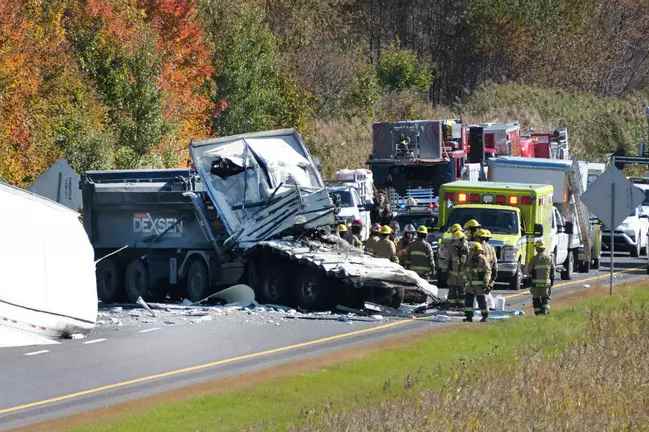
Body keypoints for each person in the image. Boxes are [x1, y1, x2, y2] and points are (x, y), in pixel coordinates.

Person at [464, 243, 491, 322]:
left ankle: (484, 316)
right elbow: (465, 270)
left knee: (481, 301)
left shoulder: (483, 259)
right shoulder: (469, 259)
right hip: (470, 285)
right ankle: (469, 317)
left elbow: (487, 271)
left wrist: (486, 282)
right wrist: (466, 280)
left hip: (480, 285)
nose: (471, 252)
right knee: (468, 301)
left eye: (472, 250)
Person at [527, 240, 553, 315]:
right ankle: (545, 312)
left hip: (536, 284)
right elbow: (552, 271)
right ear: (544, 248)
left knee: (536, 298)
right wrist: (551, 283)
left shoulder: (534, 259)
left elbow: (529, 271)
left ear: (536, 249)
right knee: (545, 298)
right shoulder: (549, 258)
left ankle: (538, 315)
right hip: (546, 283)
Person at [447, 229, 469, 305]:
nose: (454, 242)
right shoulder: (452, 248)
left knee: (462, 289)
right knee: (452, 289)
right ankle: (451, 303)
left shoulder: (466, 249)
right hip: (453, 273)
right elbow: (449, 260)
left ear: (461, 240)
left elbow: (468, 262)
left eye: (456, 240)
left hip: (463, 274)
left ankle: (461, 304)